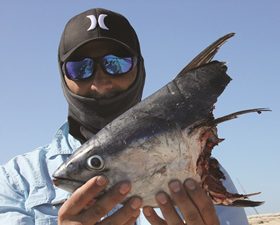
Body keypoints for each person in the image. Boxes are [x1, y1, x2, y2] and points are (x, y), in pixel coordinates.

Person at [0, 8, 249, 225]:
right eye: (80, 67)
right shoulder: (16, 181)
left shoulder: (202, 175)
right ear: (62, 75)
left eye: (116, 63)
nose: (101, 80)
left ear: (139, 67)